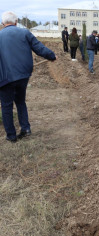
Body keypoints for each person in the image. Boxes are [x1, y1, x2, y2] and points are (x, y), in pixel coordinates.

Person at [0, 11, 56, 142]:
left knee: (6, 105)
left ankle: (11, 136)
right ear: (16, 22)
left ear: (3, 23)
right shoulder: (24, 33)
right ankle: (25, 128)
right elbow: (39, 48)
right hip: (23, 75)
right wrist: (52, 56)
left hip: (5, 77)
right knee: (20, 101)